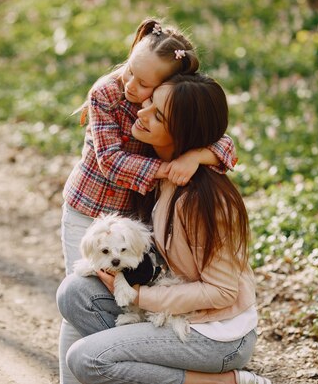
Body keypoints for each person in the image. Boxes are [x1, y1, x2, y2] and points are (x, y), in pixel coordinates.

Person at [57, 74, 272, 384]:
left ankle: (227, 382)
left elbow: (222, 291)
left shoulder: (203, 201)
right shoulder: (161, 170)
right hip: (173, 309)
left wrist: (139, 296)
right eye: (149, 103)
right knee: (74, 291)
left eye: (157, 114)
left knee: (88, 359)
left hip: (217, 336)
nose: (141, 113)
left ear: (181, 134)